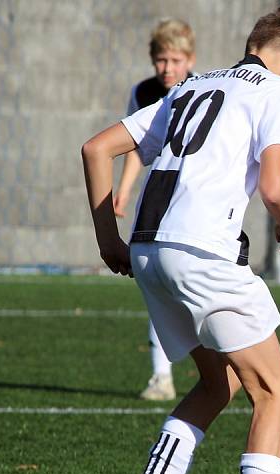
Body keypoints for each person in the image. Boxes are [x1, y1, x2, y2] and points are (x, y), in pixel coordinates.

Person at [81, 7, 280, 474]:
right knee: (277, 389)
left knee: (220, 383)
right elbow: (272, 185)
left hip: (148, 250)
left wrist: (107, 239)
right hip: (201, 252)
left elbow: (96, 148)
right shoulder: (276, 88)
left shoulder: (191, 84)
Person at [115, 18, 198, 402]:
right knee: (158, 288)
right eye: (161, 60)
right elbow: (137, 143)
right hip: (157, 201)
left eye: (175, 60)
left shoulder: (202, 89)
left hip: (195, 203)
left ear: (190, 60)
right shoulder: (144, 91)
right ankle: (161, 377)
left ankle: (221, 369)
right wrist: (125, 189)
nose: (167, 68)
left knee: (193, 290)